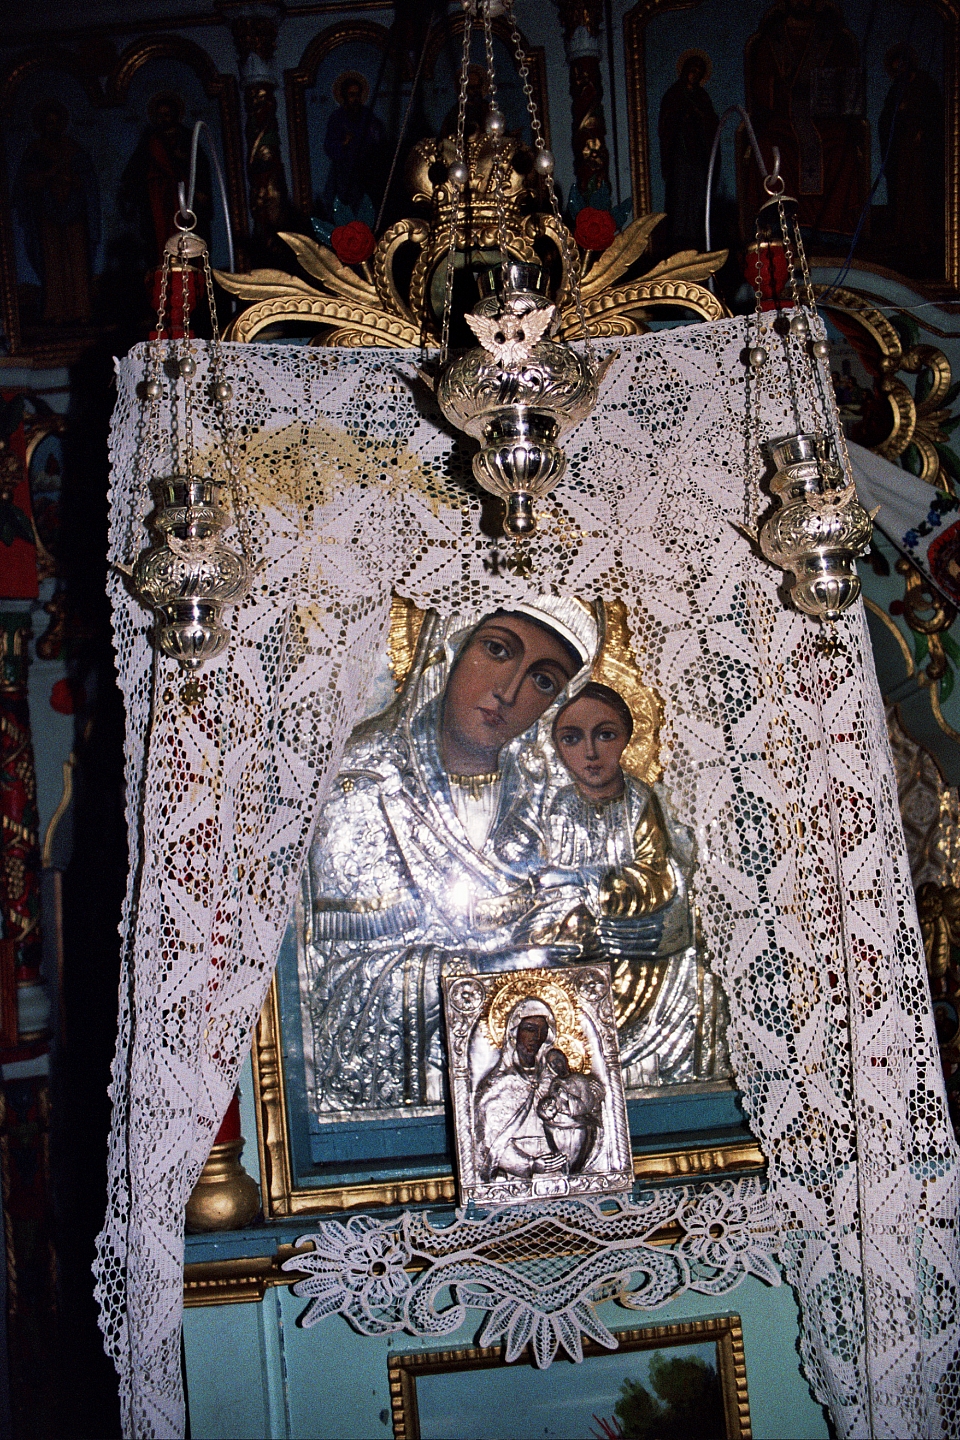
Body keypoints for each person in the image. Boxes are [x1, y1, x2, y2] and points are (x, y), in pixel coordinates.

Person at [303, 598, 600, 1114]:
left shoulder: (549, 799)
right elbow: (339, 990)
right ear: (450, 648)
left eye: (542, 680)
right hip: (403, 1107)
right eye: (497, 650)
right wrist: (505, 966)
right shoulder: (361, 781)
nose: (508, 692)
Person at [542, 682, 729, 1087]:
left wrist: (592, 885)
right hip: (577, 948)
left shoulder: (640, 800)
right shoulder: (558, 806)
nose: (590, 753)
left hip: (640, 954)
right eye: (572, 738)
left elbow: (656, 875)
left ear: (628, 738)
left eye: (605, 735)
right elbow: (546, 881)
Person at [14, 101, 99, 325]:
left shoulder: (73, 149)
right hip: (47, 214)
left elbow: (87, 181)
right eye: (47, 123)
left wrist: (72, 180)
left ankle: (82, 309)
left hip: (74, 213)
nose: (51, 127)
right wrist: (48, 176)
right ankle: (55, 312)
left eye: (54, 122)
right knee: (52, 263)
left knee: (77, 261)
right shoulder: (35, 151)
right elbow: (25, 183)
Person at [657, 51, 718, 253]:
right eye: (692, 70)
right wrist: (682, 116)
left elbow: (711, 122)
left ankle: (696, 235)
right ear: (685, 71)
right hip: (680, 153)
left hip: (698, 154)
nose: (695, 75)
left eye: (699, 72)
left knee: (697, 195)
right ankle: (679, 237)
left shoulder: (702, 97)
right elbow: (666, 124)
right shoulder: (674, 95)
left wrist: (700, 116)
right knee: (681, 195)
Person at [321, 71, 386, 217]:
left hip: (366, 171)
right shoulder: (337, 118)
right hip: (344, 173)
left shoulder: (367, 116)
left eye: (357, 95)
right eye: (351, 95)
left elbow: (378, 139)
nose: (355, 99)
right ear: (344, 96)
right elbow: (329, 146)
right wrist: (344, 143)